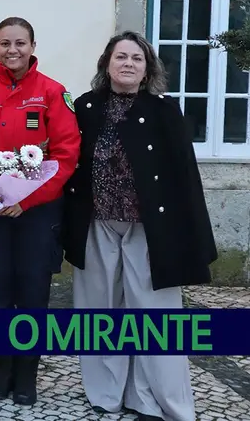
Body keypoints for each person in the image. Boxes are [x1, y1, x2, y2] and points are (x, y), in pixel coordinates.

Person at [62, 31, 217, 421]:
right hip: (96, 223)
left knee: (154, 316)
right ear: (107, 64)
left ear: (148, 68)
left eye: (137, 58)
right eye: (121, 57)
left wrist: (192, 238)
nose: (128, 63)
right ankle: (106, 393)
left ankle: (155, 400)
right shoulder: (85, 106)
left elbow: (185, 176)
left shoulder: (165, 111)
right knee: (98, 312)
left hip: (150, 229)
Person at [0, 17, 80, 405]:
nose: (12, 51)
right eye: (5, 43)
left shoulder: (53, 93)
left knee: (33, 294)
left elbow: (66, 156)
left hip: (36, 214)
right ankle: (2, 370)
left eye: (20, 43)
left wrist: (29, 199)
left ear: (33, 45)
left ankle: (27, 376)